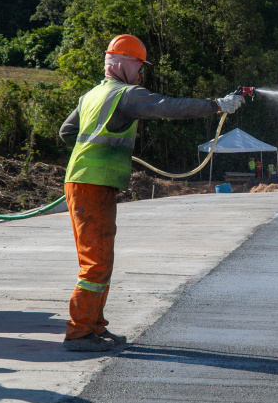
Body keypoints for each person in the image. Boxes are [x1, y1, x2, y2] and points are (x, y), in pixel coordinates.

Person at [58, 34, 245, 352]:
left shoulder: (91, 95)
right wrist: (216, 105)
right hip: (94, 184)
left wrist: (97, 150)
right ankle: (79, 332)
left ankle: (93, 326)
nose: (141, 73)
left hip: (86, 181)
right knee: (95, 261)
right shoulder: (126, 95)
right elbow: (167, 107)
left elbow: (67, 132)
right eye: (138, 66)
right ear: (121, 64)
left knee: (101, 259)